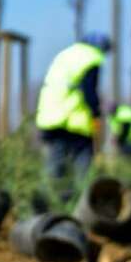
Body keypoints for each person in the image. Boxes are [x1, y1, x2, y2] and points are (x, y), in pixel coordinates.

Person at [36, 32, 110, 178]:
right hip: (73, 119)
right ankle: (83, 195)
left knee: (55, 162)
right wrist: (96, 114)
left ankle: (51, 196)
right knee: (83, 160)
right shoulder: (92, 58)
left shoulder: (66, 54)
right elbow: (89, 90)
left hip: (49, 116)